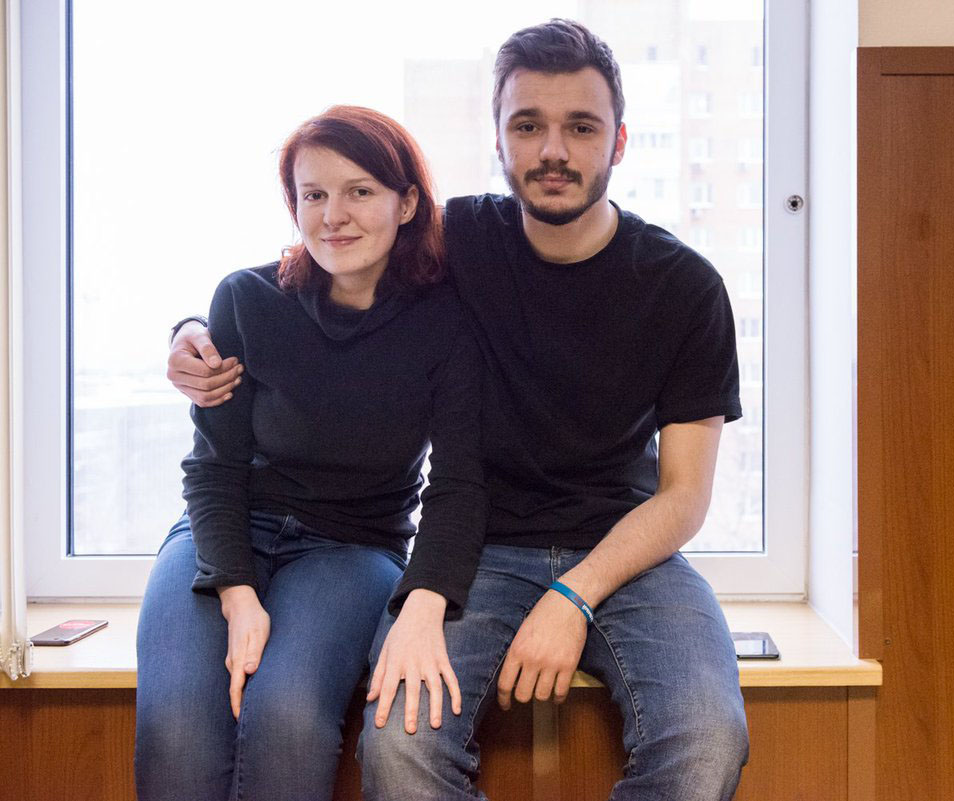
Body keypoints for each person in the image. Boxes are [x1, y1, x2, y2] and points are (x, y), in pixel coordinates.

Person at [168, 19, 749, 801]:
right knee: (399, 744)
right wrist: (189, 330)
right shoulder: (460, 239)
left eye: (581, 127)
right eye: (528, 125)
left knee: (708, 738)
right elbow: (323, 259)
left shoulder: (685, 287)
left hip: (629, 555)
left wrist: (574, 593)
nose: (553, 149)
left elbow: (684, 496)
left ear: (618, 141)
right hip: (479, 551)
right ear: (498, 139)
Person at [137, 106, 486, 801]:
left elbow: (458, 481)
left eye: (360, 191)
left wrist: (427, 597)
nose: (334, 215)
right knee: (177, 728)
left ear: (406, 203)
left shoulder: (445, 318)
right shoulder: (247, 298)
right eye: (314, 194)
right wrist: (237, 592)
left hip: (354, 547)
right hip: (227, 529)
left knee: (288, 720)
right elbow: (213, 468)